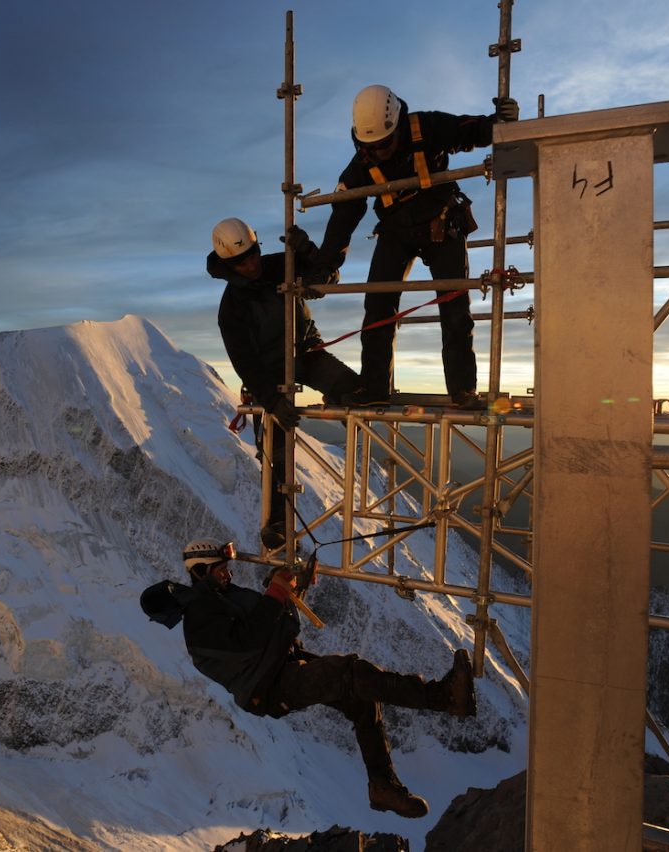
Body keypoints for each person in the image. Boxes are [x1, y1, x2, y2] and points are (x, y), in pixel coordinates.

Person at [139, 538, 477, 819]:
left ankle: (383, 787)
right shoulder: (200, 617)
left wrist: (289, 591)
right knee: (350, 672)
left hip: (281, 672)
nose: (228, 574)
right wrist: (275, 595)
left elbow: (266, 626)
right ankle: (444, 698)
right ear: (201, 572)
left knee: (361, 699)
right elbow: (249, 639)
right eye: (221, 569)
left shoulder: (218, 601)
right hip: (272, 686)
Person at [312, 85, 519, 409]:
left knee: (453, 304)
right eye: (371, 147)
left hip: (442, 223)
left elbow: (470, 132)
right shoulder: (361, 164)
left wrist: (500, 123)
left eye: (383, 144)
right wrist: (327, 265)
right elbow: (344, 214)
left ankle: (463, 390)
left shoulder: (426, 128)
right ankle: (375, 388)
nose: (378, 152)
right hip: (396, 231)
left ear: (397, 125)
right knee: (378, 307)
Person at [208, 217, 360, 549]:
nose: (251, 265)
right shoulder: (231, 308)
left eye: (253, 255)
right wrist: (272, 402)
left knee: (356, 393)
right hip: (269, 374)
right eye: (241, 262)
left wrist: (305, 250)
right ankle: (277, 522)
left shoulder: (281, 265)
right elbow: (244, 361)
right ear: (227, 265)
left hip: (305, 352)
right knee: (277, 451)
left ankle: (345, 407)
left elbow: (327, 278)